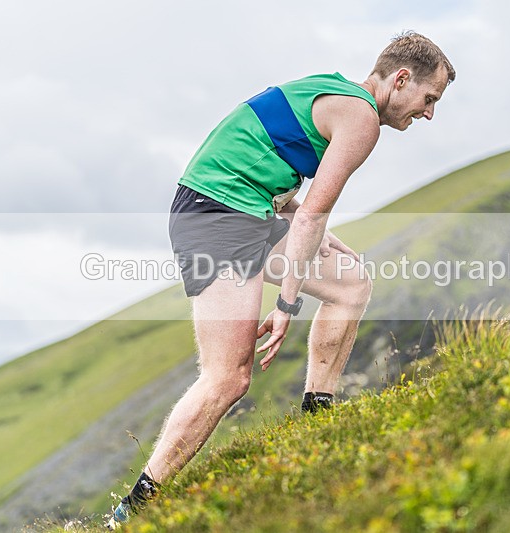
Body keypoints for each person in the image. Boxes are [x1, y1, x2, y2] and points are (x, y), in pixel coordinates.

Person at [106, 31, 455, 529]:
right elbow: (311, 215)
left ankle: (317, 419)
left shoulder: (334, 90)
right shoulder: (361, 120)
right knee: (228, 377)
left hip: (241, 206)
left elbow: (264, 154)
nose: (428, 113)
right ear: (401, 79)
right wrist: (287, 303)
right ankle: (132, 511)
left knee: (350, 283)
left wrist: (294, 217)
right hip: (218, 215)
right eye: (429, 98)